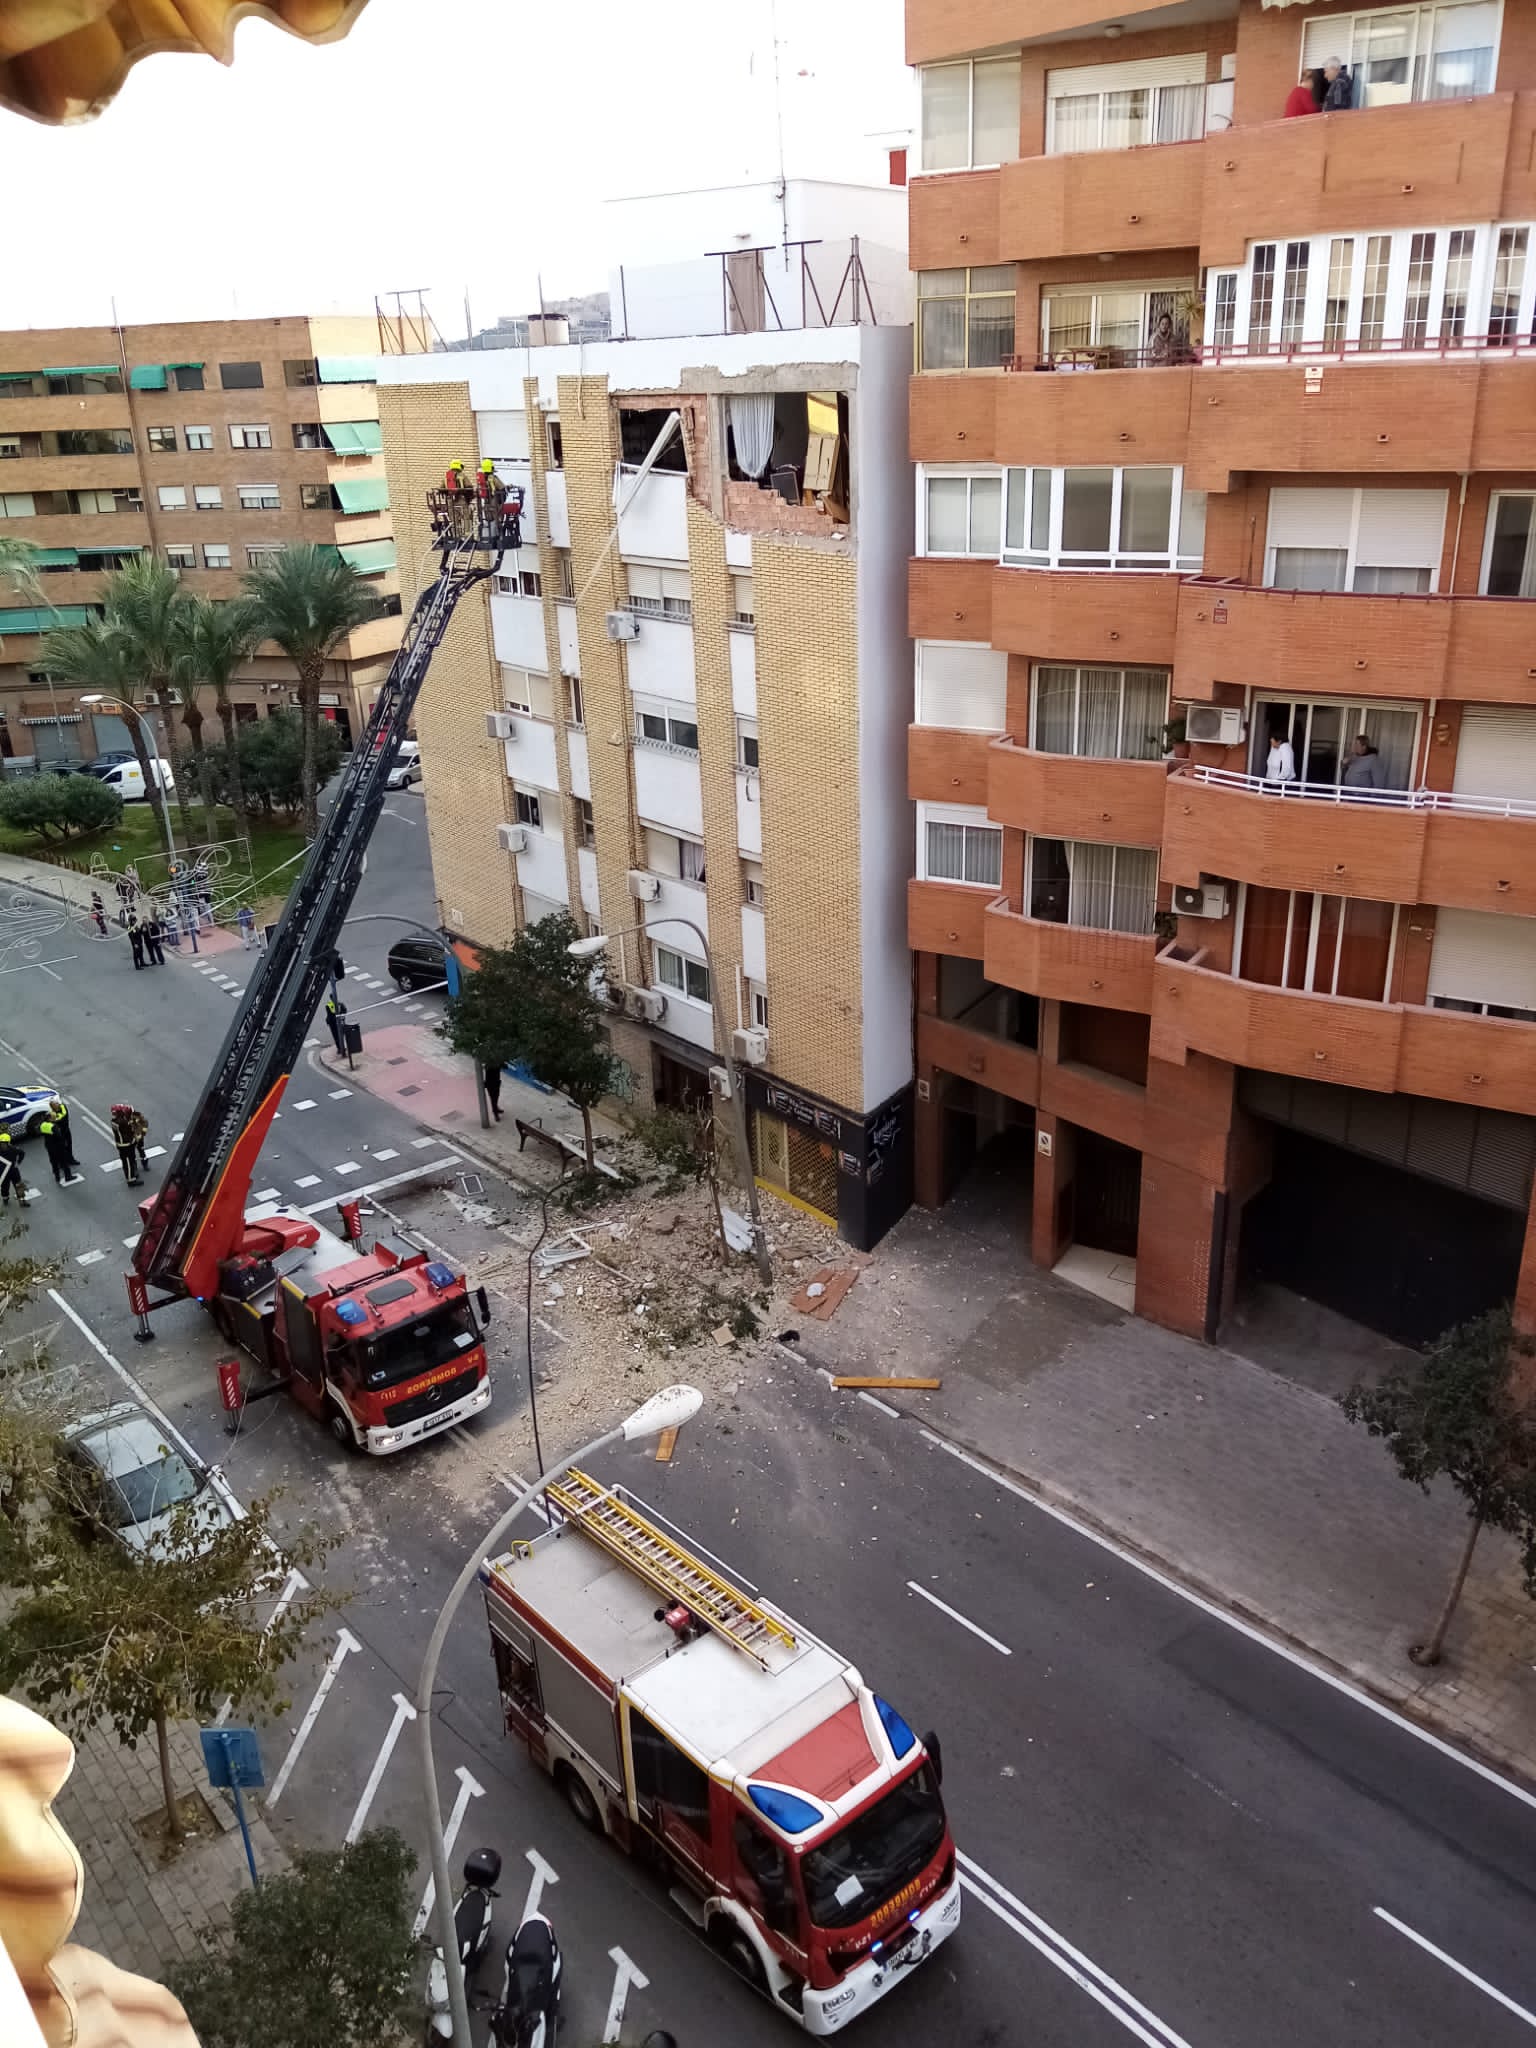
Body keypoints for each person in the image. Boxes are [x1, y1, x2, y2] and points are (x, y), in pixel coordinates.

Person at [110, 1104, 149, 1188]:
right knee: (128, 1163)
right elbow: (130, 1132)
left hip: (122, 1145)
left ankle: (133, 1176)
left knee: (128, 1162)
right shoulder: (122, 1122)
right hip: (126, 1145)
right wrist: (137, 1136)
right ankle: (131, 1180)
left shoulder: (114, 1121)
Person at [38, 1112, 75, 1188]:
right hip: (58, 1146)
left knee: (54, 1162)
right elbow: (59, 1136)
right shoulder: (53, 1126)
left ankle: (57, 1177)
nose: (54, 1118)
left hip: (49, 1146)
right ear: (49, 1118)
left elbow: (41, 1132)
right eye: (53, 1117)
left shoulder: (42, 1125)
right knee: (64, 1161)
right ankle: (68, 1176)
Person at [47, 1099, 80, 1177]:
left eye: (57, 1103)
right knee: (61, 1149)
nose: (57, 1104)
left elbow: (64, 1116)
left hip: (66, 1130)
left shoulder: (62, 1107)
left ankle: (71, 1159)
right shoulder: (52, 1113)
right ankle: (61, 1163)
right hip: (59, 1134)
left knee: (69, 1145)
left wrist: (56, 1119)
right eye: (55, 1104)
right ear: (52, 1107)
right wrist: (56, 1119)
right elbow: (55, 1121)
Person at [0, 1130, 27, 1208]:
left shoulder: (13, 1149)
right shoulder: (12, 1149)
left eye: (4, 1143)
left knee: (19, 1186)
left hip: (13, 1171)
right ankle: (5, 1198)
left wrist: (18, 1162)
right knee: (5, 1187)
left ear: (7, 1143)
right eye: (1, 1143)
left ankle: (22, 1201)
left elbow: (22, 1153)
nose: (2, 1145)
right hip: (3, 1173)